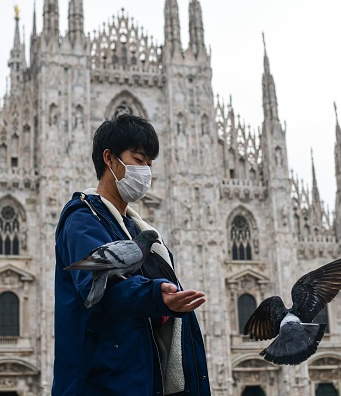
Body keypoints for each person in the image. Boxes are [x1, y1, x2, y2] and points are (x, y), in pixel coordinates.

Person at [53, 115, 211, 395]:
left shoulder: (137, 230)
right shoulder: (83, 220)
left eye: (150, 164)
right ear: (110, 159)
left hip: (141, 379)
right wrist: (155, 295)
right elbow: (101, 287)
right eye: (139, 160)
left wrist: (164, 303)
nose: (146, 171)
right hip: (102, 384)